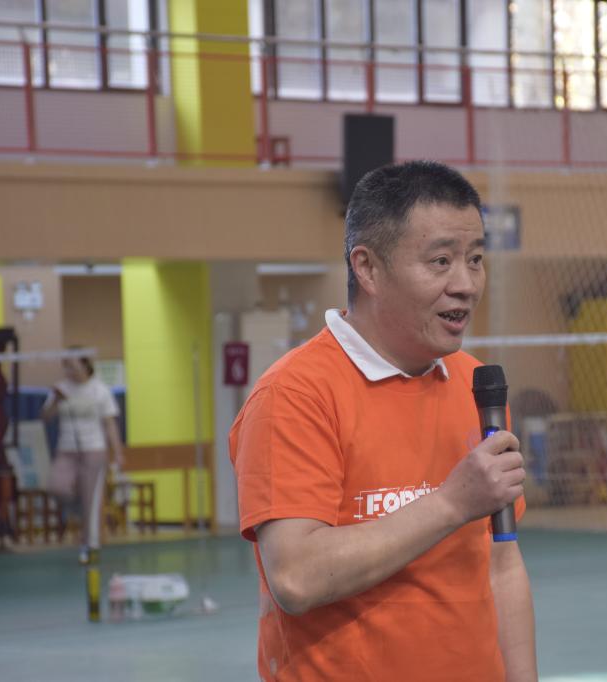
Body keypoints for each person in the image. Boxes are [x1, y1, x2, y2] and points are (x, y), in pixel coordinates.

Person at [229, 161, 537, 681]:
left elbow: (501, 564)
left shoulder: (477, 385)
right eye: (441, 261)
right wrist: (450, 503)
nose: (465, 284)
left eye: (476, 259)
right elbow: (297, 576)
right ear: (368, 268)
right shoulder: (294, 395)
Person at [42, 354, 123, 564]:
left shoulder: (100, 390)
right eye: (65, 366)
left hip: (93, 449)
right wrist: (56, 400)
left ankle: (90, 546)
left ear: (85, 366)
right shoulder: (60, 389)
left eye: (72, 366)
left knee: (92, 501)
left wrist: (117, 452)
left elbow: (110, 423)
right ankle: (77, 509)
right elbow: (45, 417)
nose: (68, 370)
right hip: (66, 449)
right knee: (56, 487)